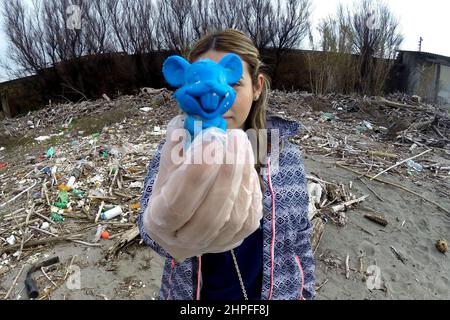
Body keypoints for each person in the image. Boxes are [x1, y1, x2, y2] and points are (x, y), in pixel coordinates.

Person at [138, 29, 315, 300]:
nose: (215, 99)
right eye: (200, 81)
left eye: (232, 83)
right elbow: (149, 225)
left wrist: (305, 292)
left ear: (257, 87)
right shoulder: (175, 150)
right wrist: (164, 231)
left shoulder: (282, 154)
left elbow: (300, 235)